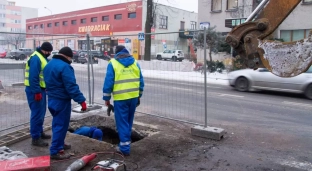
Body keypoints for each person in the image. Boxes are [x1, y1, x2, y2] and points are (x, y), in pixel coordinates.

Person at [43, 46, 87, 160]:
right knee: (60, 125)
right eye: (70, 58)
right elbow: (71, 86)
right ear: (68, 56)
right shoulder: (65, 67)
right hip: (61, 101)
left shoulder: (49, 64)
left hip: (52, 99)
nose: (71, 60)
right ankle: (55, 150)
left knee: (57, 124)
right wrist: (81, 100)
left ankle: (60, 144)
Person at [102, 45, 144, 156]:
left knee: (122, 122)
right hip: (133, 97)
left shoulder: (113, 63)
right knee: (128, 121)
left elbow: (108, 82)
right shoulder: (135, 63)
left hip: (121, 99)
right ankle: (126, 141)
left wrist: (106, 98)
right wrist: (139, 95)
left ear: (116, 53)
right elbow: (141, 81)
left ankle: (124, 147)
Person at [24, 42, 53, 147]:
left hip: (40, 89)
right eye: (48, 52)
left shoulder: (41, 56)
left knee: (41, 113)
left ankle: (40, 132)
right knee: (36, 114)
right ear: (44, 50)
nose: (49, 53)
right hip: (34, 90)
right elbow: (33, 77)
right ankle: (35, 138)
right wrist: (36, 91)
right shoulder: (36, 58)